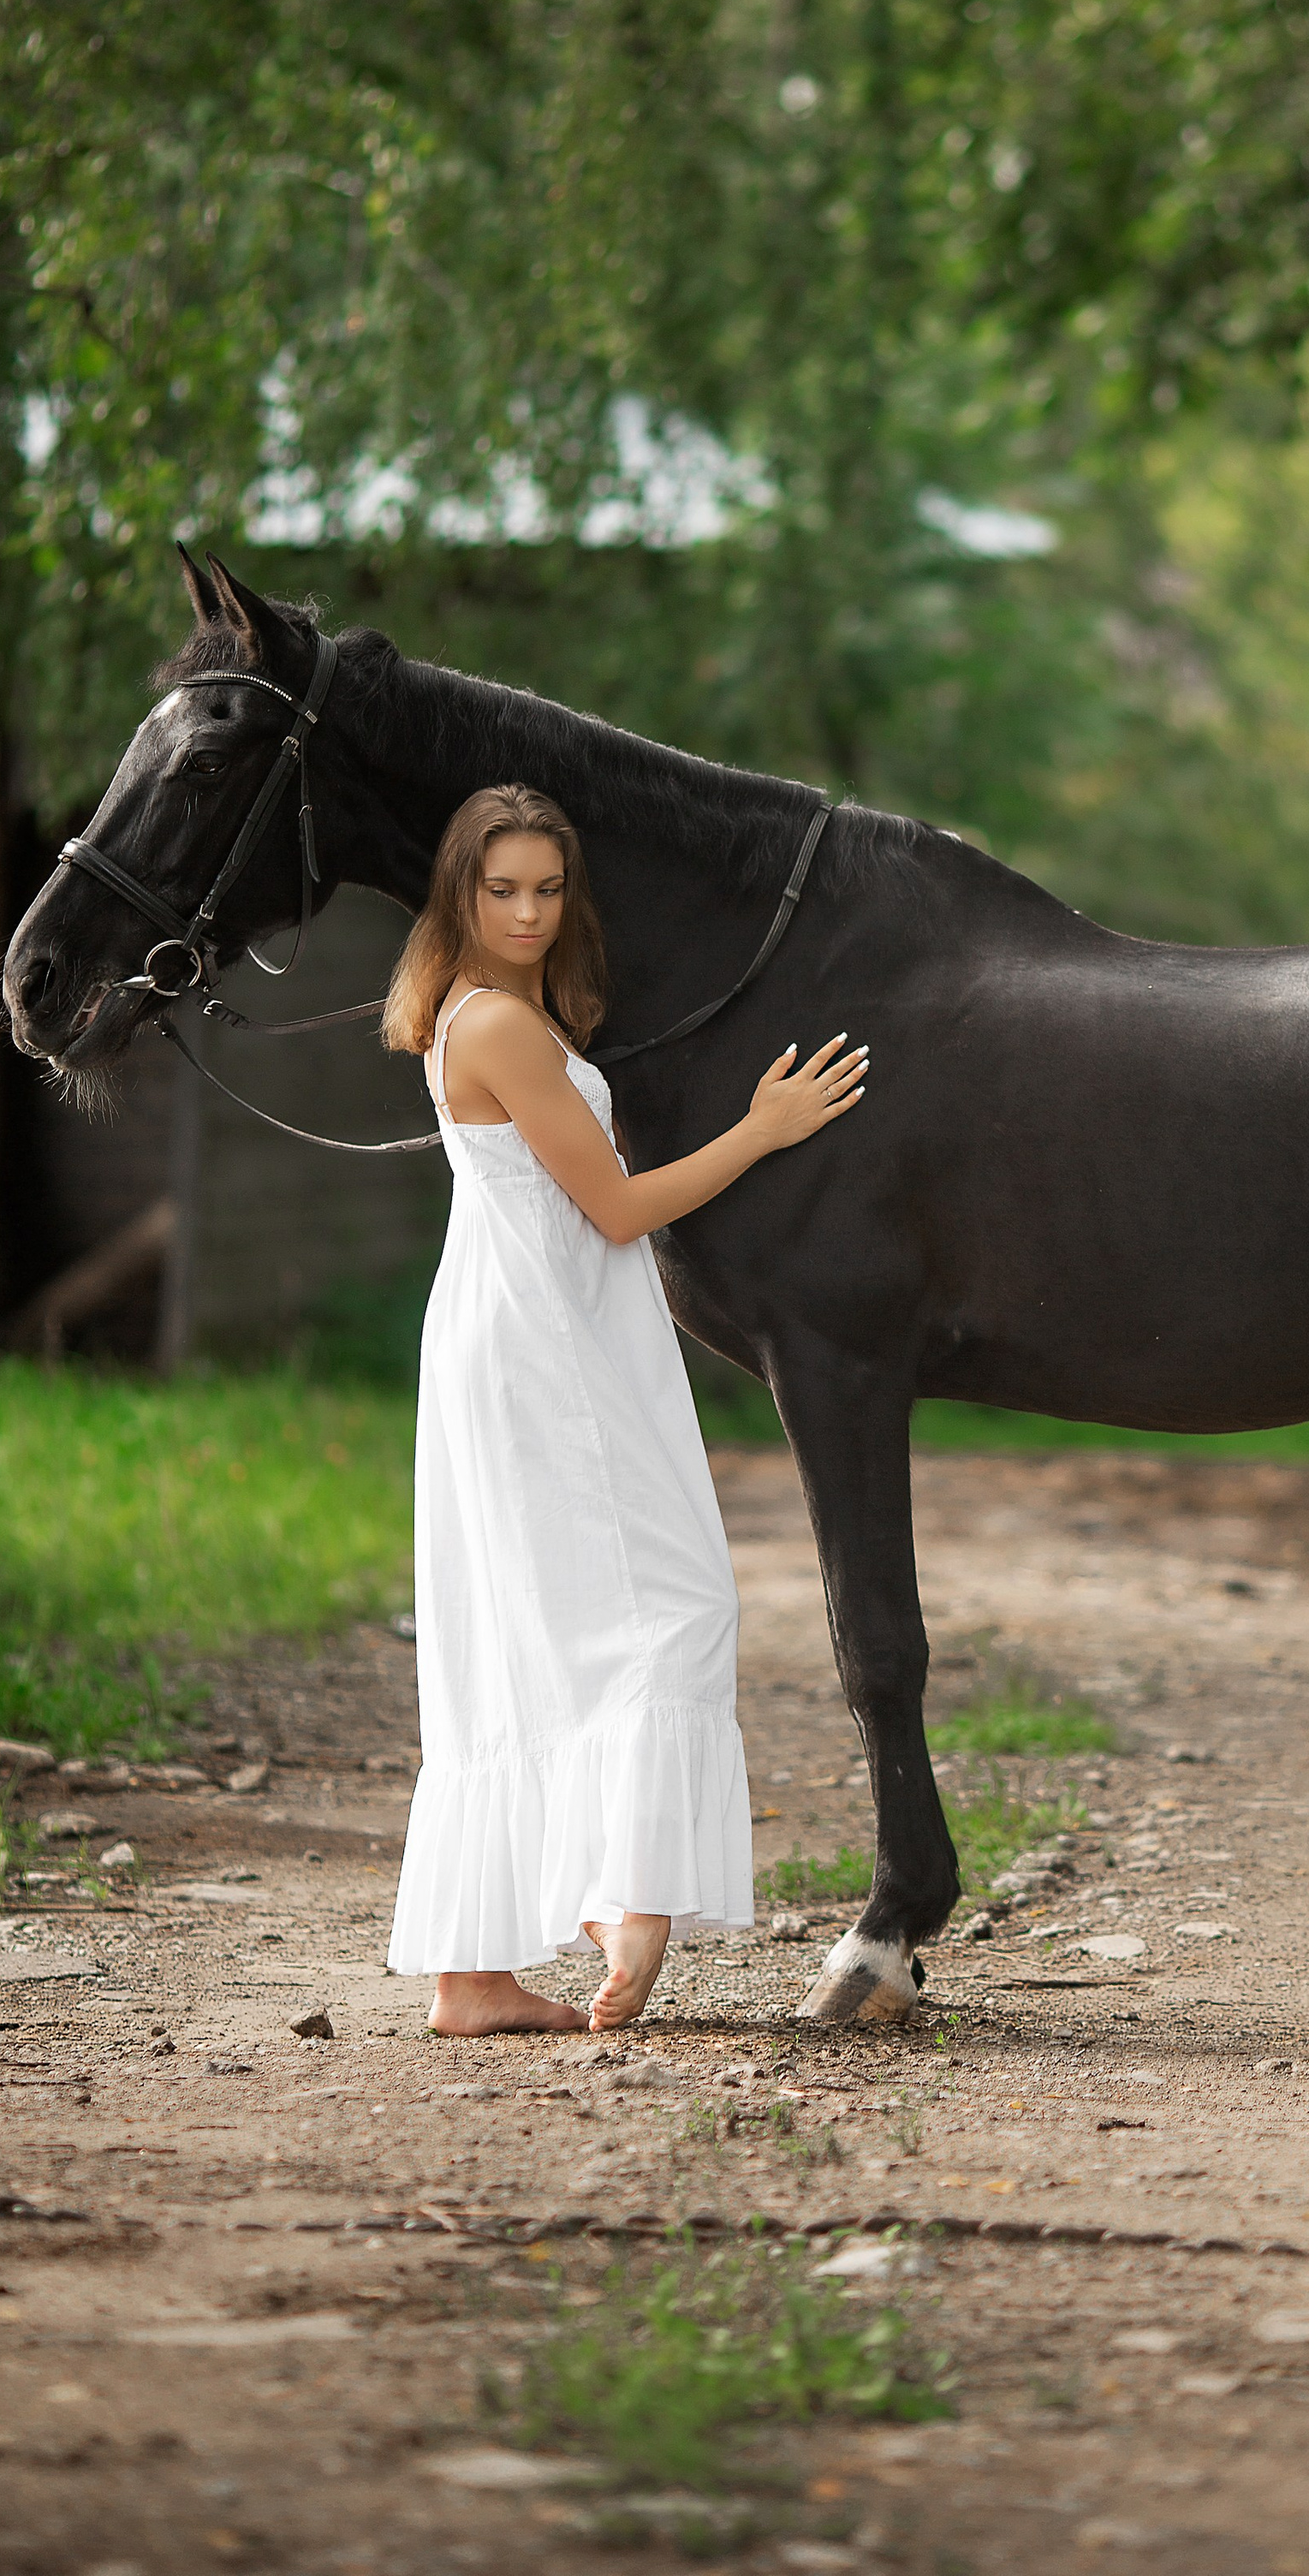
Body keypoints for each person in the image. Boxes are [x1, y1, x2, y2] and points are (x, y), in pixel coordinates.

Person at [378, 782, 865, 2034]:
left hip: (523, 1321)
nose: (528, 913)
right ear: (460, 895)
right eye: (502, 889)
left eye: (548, 889)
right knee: (677, 1601)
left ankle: (474, 1975)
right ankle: (623, 1890)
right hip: (547, 1341)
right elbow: (616, 1210)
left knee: (519, 1623)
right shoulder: (499, 1026)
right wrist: (764, 1128)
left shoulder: (490, 1013)